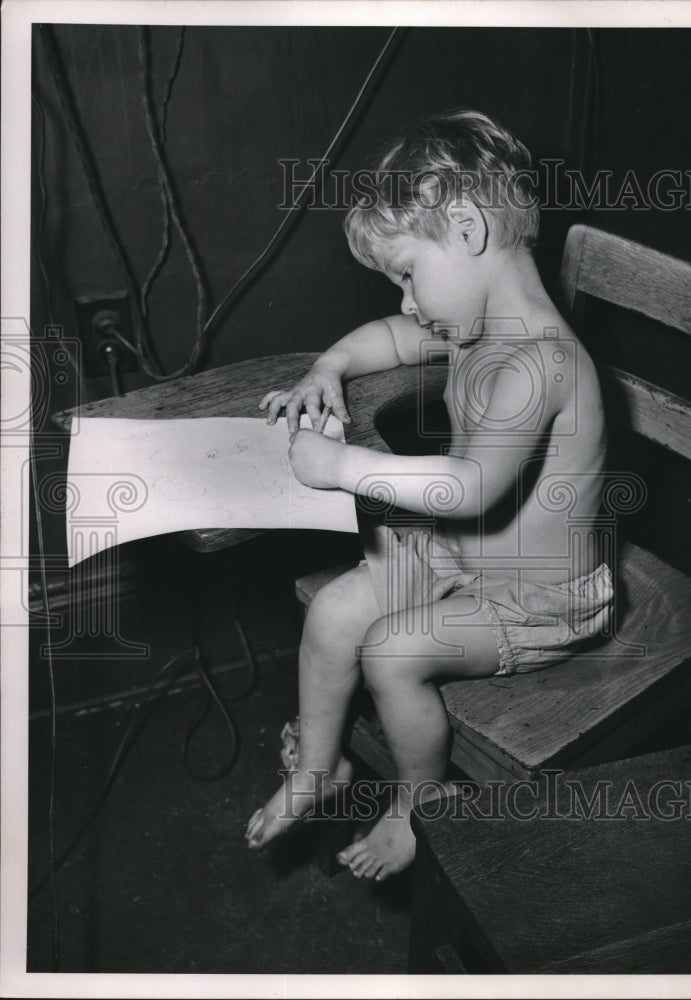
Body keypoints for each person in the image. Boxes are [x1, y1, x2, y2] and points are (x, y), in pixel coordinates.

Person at [245, 109, 613, 881]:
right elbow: (388, 334)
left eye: (408, 272)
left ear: (467, 228)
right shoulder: (479, 326)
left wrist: (343, 469)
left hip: (535, 598)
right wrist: (327, 368)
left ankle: (418, 805)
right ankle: (319, 767)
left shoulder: (539, 362)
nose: (408, 300)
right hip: (461, 553)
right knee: (337, 607)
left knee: (390, 651)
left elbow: (469, 484)